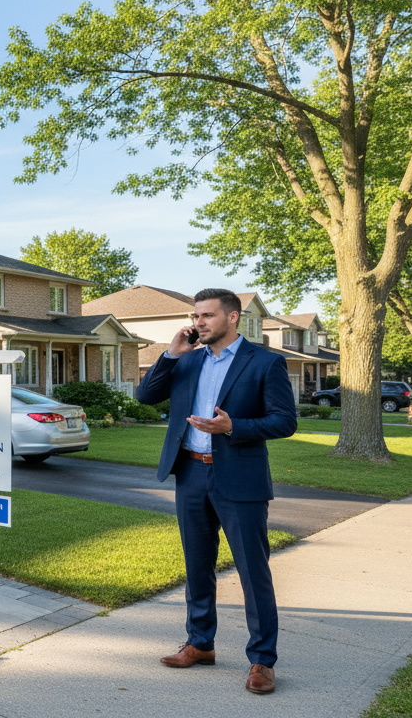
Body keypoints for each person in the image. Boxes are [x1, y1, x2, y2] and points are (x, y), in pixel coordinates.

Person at [135, 289, 296, 695]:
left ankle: (262, 660)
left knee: (252, 572)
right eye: (196, 315)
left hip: (239, 479)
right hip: (189, 473)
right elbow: (145, 397)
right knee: (197, 566)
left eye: (207, 315)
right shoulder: (186, 359)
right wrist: (170, 354)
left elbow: (284, 421)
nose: (199, 322)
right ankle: (200, 644)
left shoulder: (265, 362)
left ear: (233, 317)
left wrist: (233, 428)